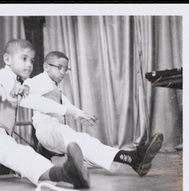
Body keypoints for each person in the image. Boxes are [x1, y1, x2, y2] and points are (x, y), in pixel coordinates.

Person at [0, 40, 91, 189]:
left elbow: (42, 103)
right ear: (7, 60)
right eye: (24, 58)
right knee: (17, 153)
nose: (29, 64)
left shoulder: (19, 87)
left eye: (32, 60)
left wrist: (74, 112)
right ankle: (65, 174)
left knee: (19, 154)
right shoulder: (4, 76)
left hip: (0, 137)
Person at [23, 51, 164, 176]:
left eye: (66, 69)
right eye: (59, 68)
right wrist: (25, 87)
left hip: (52, 131)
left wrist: (80, 114)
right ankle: (133, 158)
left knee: (89, 154)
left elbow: (66, 104)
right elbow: (30, 85)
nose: (62, 73)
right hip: (48, 129)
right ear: (46, 67)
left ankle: (132, 161)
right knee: (80, 141)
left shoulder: (54, 86)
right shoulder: (42, 80)